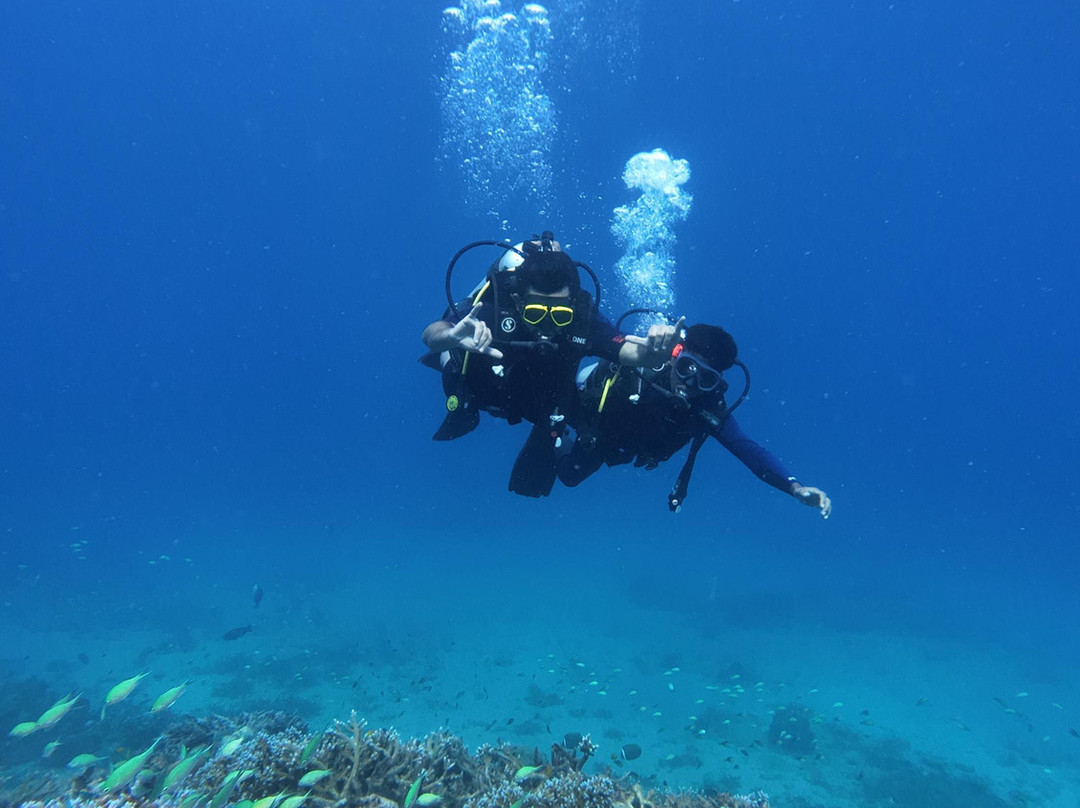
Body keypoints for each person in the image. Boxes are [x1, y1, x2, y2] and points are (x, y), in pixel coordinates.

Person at [421, 231, 681, 497]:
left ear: (572, 305)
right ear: (518, 301)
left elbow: (626, 351)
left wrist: (656, 354)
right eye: (535, 314)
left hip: (543, 397)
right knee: (454, 368)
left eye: (560, 315)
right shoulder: (496, 309)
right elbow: (432, 334)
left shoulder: (583, 316)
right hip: (484, 385)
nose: (546, 326)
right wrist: (451, 337)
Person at [557, 322, 832, 517]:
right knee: (568, 474)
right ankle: (554, 433)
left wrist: (794, 487)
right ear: (676, 355)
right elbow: (600, 341)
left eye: (706, 378)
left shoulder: (708, 407)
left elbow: (746, 448)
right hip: (592, 427)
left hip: (626, 448)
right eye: (687, 367)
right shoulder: (644, 367)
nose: (690, 383)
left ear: (715, 383)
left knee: (569, 476)